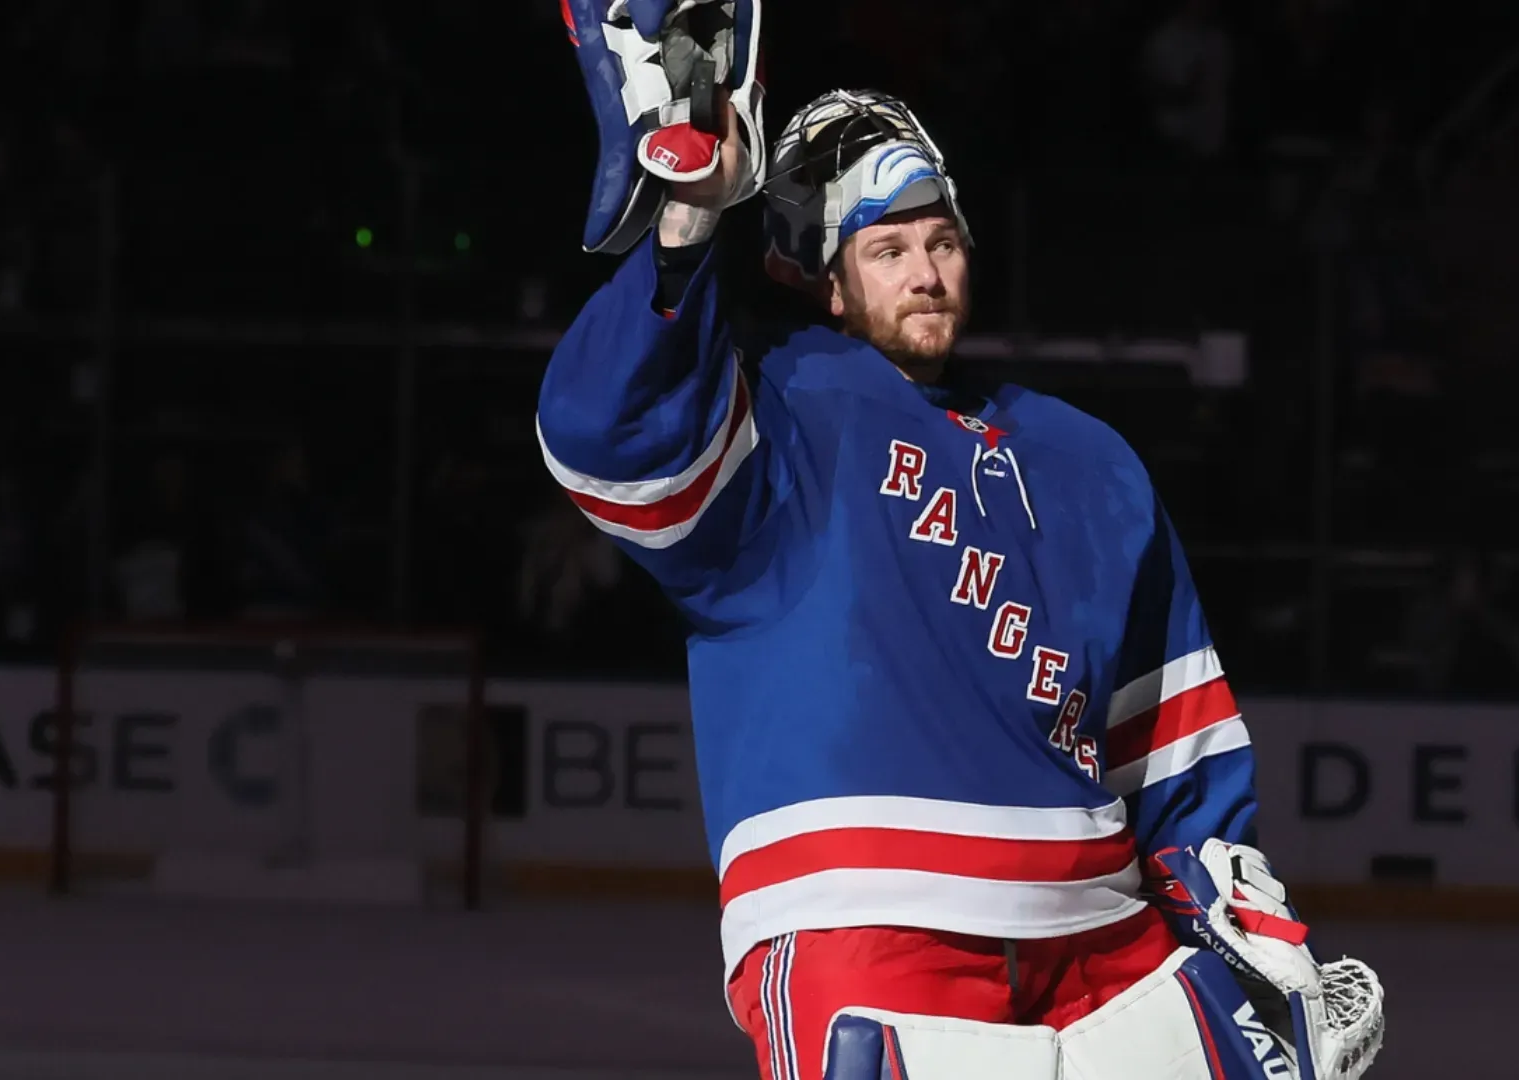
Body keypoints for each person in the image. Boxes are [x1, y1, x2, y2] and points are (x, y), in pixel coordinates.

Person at [540, 11, 1382, 1075]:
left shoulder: (1089, 462)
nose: (926, 272)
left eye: (941, 242)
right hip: (870, 920)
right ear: (825, 281)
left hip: (1102, 938)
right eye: (887, 250)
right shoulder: (780, 415)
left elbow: (1170, 746)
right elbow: (611, 432)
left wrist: (1238, 910)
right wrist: (687, 225)